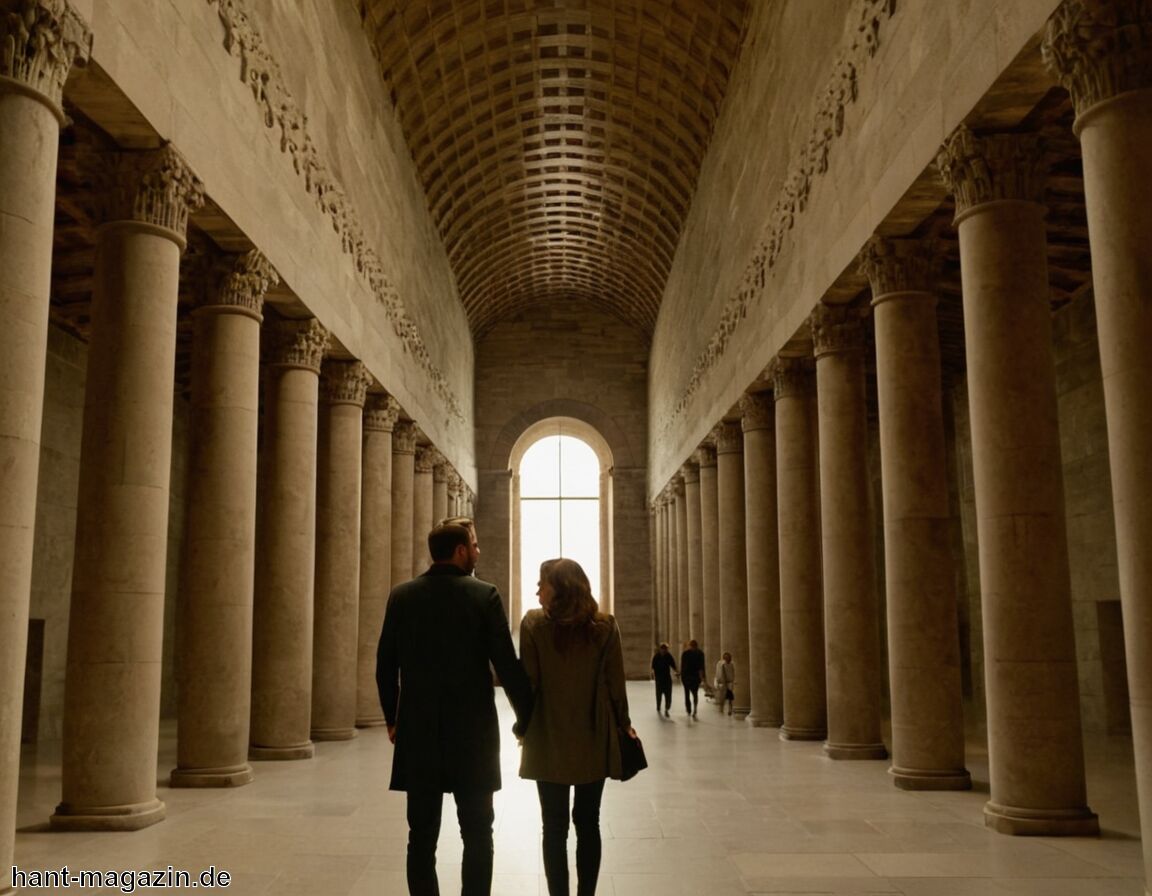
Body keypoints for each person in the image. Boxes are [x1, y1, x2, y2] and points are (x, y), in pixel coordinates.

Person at [377, 521, 532, 896]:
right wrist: (525, 718)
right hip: (473, 735)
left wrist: (393, 719)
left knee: (421, 836)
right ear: (461, 551)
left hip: (419, 731)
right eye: (475, 546)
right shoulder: (484, 596)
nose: (478, 552)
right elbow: (506, 665)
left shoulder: (403, 596)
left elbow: (385, 665)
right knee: (478, 832)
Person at [519, 558, 634, 896]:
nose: (537, 590)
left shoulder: (532, 625)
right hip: (593, 733)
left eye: (543, 583)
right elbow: (616, 684)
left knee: (553, 827)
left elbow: (529, 684)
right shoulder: (605, 626)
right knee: (588, 822)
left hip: (547, 733)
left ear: (562, 588)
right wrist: (623, 724)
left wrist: (523, 726)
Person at [679, 639, 706, 718]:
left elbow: (683, 666)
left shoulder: (685, 653)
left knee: (687, 693)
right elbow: (702, 667)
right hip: (694, 676)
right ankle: (694, 709)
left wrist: (681, 675)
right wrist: (702, 678)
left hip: (688, 676)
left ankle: (689, 709)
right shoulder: (700, 653)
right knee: (695, 694)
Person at [650, 642, 677, 717]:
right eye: (663, 649)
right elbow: (653, 666)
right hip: (659, 678)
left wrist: (676, 671)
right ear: (661, 649)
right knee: (658, 694)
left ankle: (667, 708)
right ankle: (658, 706)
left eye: (666, 649)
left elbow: (673, 664)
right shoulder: (656, 656)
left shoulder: (668, 656)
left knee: (668, 694)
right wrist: (652, 674)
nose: (664, 651)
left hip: (667, 678)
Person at [715, 651, 735, 715]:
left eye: (728, 657)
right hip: (723, 683)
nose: (727, 659)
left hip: (729, 683)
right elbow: (719, 673)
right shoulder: (721, 664)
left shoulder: (731, 664)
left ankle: (729, 709)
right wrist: (718, 681)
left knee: (730, 697)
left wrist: (733, 680)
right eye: (725, 658)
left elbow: (733, 672)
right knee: (722, 697)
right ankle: (721, 708)